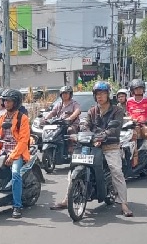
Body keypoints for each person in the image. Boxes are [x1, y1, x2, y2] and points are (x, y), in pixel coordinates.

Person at [50, 82, 133, 217]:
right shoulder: (92, 110)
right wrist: (83, 132)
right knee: (73, 169)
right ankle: (67, 199)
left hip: (110, 145)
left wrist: (105, 134)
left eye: (103, 94)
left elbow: (115, 128)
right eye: (97, 94)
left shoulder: (117, 110)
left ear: (108, 95)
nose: (100, 96)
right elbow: (85, 124)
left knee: (116, 171)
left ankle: (124, 204)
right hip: (92, 144)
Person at [0, 88, 31, 219]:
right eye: (5, 101)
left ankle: (17, 206)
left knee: (15, 174)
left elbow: (23, 140)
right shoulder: (1, 118)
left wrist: (13, 156)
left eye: (9, 101)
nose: (5, 103)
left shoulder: (22, 118)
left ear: (16, 102)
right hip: (4, 150)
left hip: (17, 151)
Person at [125, 79, 147, 166]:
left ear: (143, 89)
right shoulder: (129, 101)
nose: (138, 90)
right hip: (132, 126)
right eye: (136, 89)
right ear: (132, 90)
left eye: (140, 88)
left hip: (144, 125)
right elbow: (127, 113)